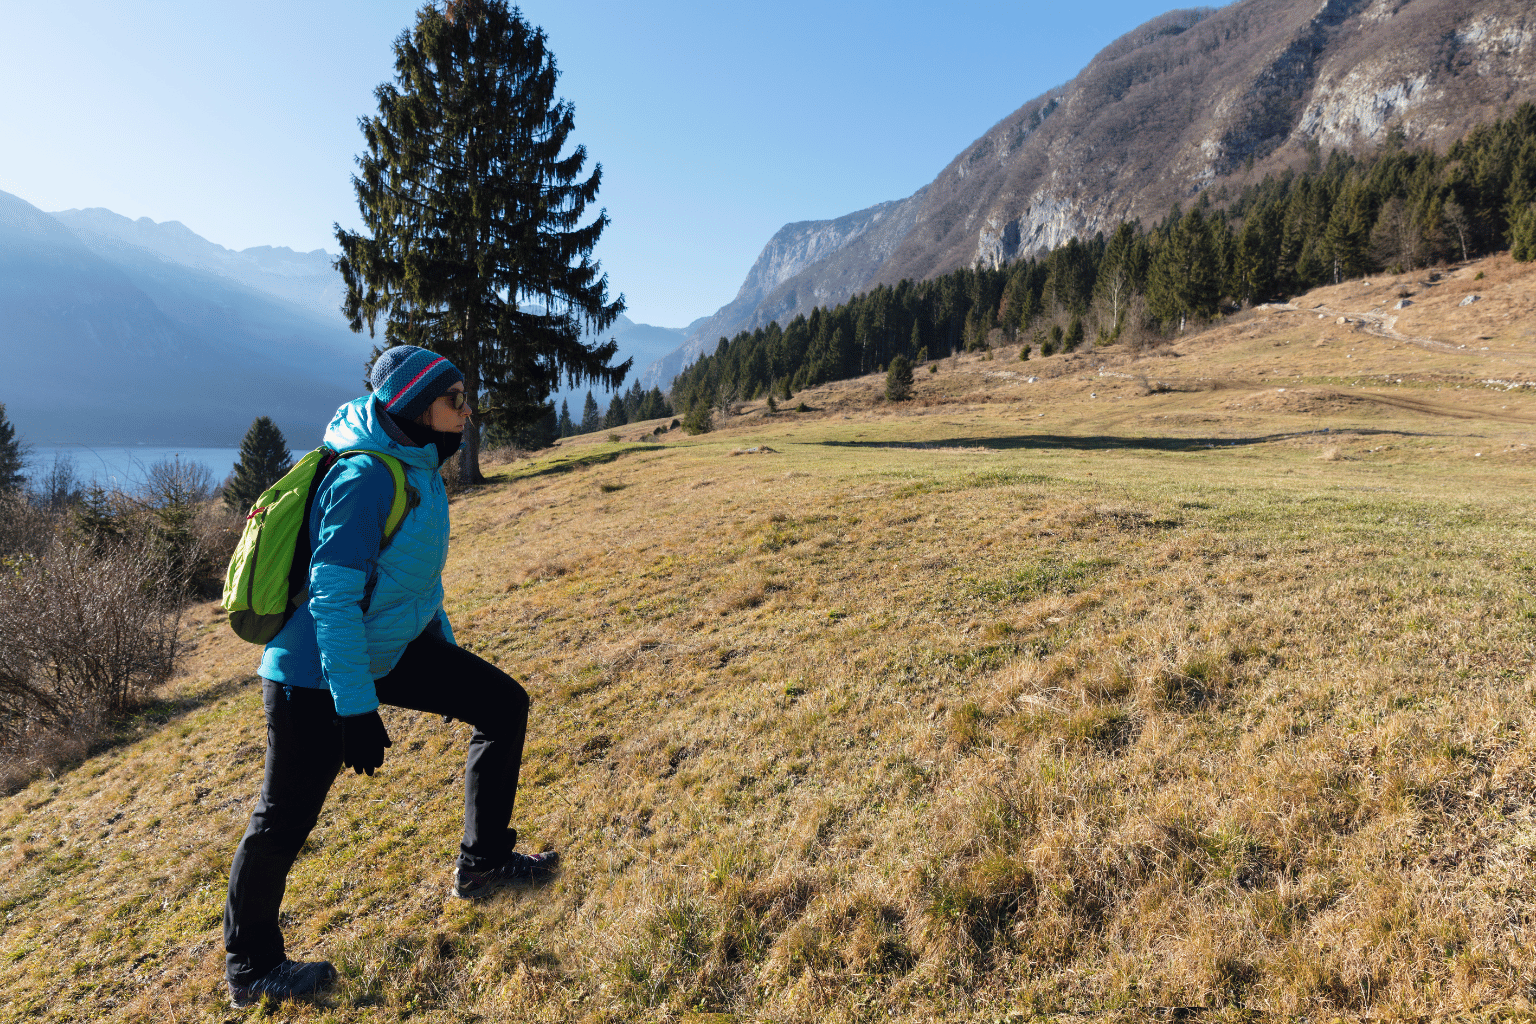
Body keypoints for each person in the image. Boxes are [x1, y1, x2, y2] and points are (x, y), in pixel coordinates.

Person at [222, 346, 557, 1008]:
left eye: (466, 398)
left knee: (500, 704)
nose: (467, 410)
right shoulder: (368, 477)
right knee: (284, 818)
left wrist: (446, 652)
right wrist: (354, 709)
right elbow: (332, 601)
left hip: (387, 647)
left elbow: (413, 581)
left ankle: (483, 864)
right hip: (315, 672)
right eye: (454, 399)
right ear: (412, 407)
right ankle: (252, 966)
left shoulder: (420, 468)